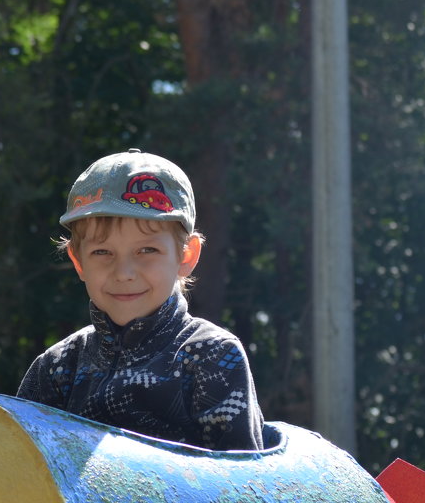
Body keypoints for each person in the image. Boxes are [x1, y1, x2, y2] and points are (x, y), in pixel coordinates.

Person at [17, 148, 265, 451]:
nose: (124, 273)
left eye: (147, 251)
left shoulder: (210, 357)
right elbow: (24, 473)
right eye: (102, 252)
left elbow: (240, 483)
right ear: (78, 261)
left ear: (186, 256)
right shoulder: (56, 368)